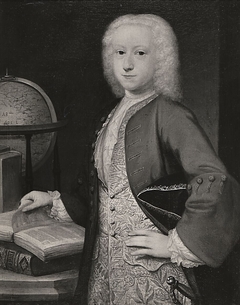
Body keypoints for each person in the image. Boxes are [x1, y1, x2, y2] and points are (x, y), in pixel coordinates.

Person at [20, 14, 240, 305]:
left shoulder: (169, 114)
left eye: (140, 53)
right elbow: (100, 194)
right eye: (120, 53)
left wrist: (177, 243)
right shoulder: (110, 114)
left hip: (153, 270)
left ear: (160, 59)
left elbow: (214, 179)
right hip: (104, 269)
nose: (127, 63)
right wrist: (52, 201)